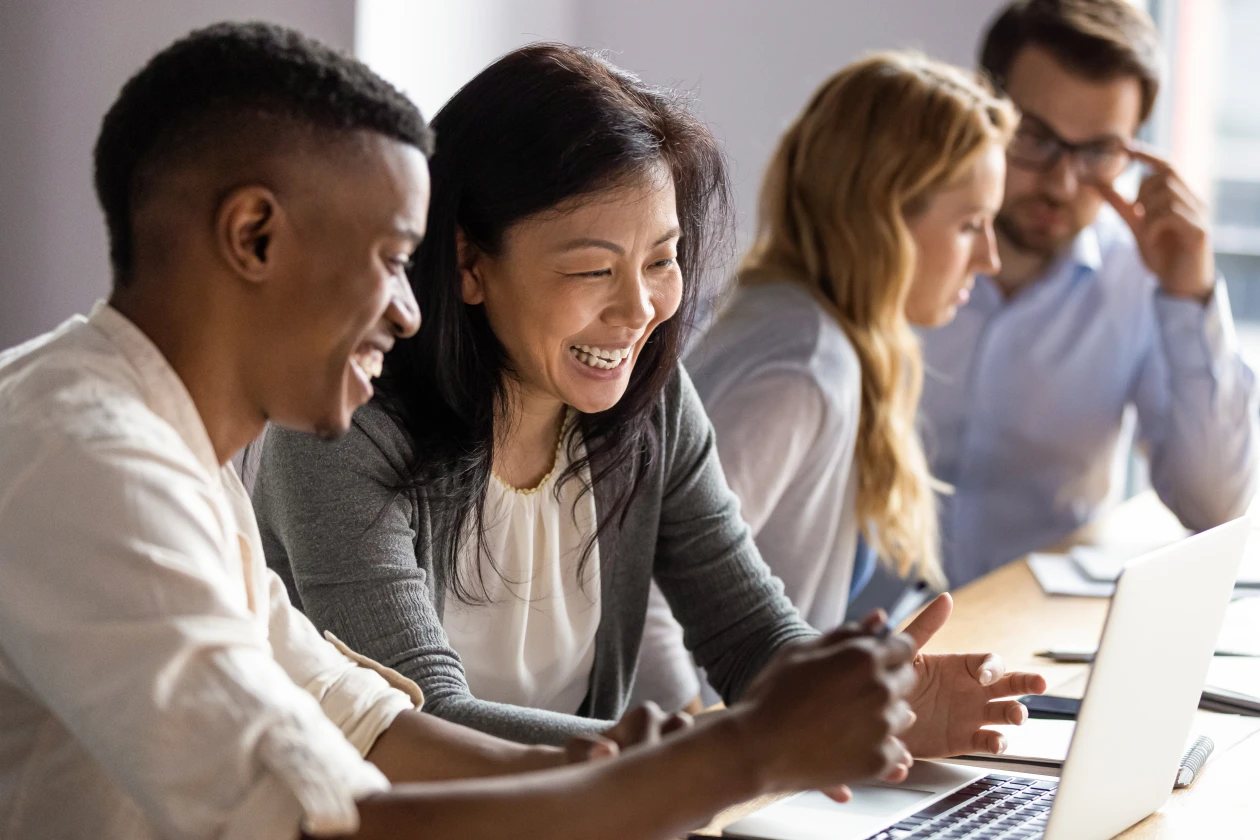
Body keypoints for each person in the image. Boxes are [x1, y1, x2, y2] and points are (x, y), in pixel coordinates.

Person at [0, 22, 932, 840]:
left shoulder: (171, 448)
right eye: (389, 261)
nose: (410, 310)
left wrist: (710, 755)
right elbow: (325, 821)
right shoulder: (91, 461)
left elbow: (364, 723)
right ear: (255, 237)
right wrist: (738, 756)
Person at [253, 42, 1045, 758]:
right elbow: (422, 728)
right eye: (594, 269)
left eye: (662, 260)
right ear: (467, 262)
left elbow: (747, 634)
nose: (639, 311)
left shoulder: (650, 402)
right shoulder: (344, 427)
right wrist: (732, 750)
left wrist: (873, 705)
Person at [632, 52, 1018, 709]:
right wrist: (703, 762)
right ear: (885, 216)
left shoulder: (809, 325)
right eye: (968, 225)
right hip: (721, 773)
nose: (990, 258)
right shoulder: (803, 372)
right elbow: (647, 603)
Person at [918, 0, 1260, 585]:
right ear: (982, 107)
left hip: (1034, 642)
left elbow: (1216, 506)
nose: (1062, 182)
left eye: (1098, 152)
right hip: (867, 639)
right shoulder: (890, 246)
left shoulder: (1139, 278)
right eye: (1034, 136)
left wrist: (1190, 296)